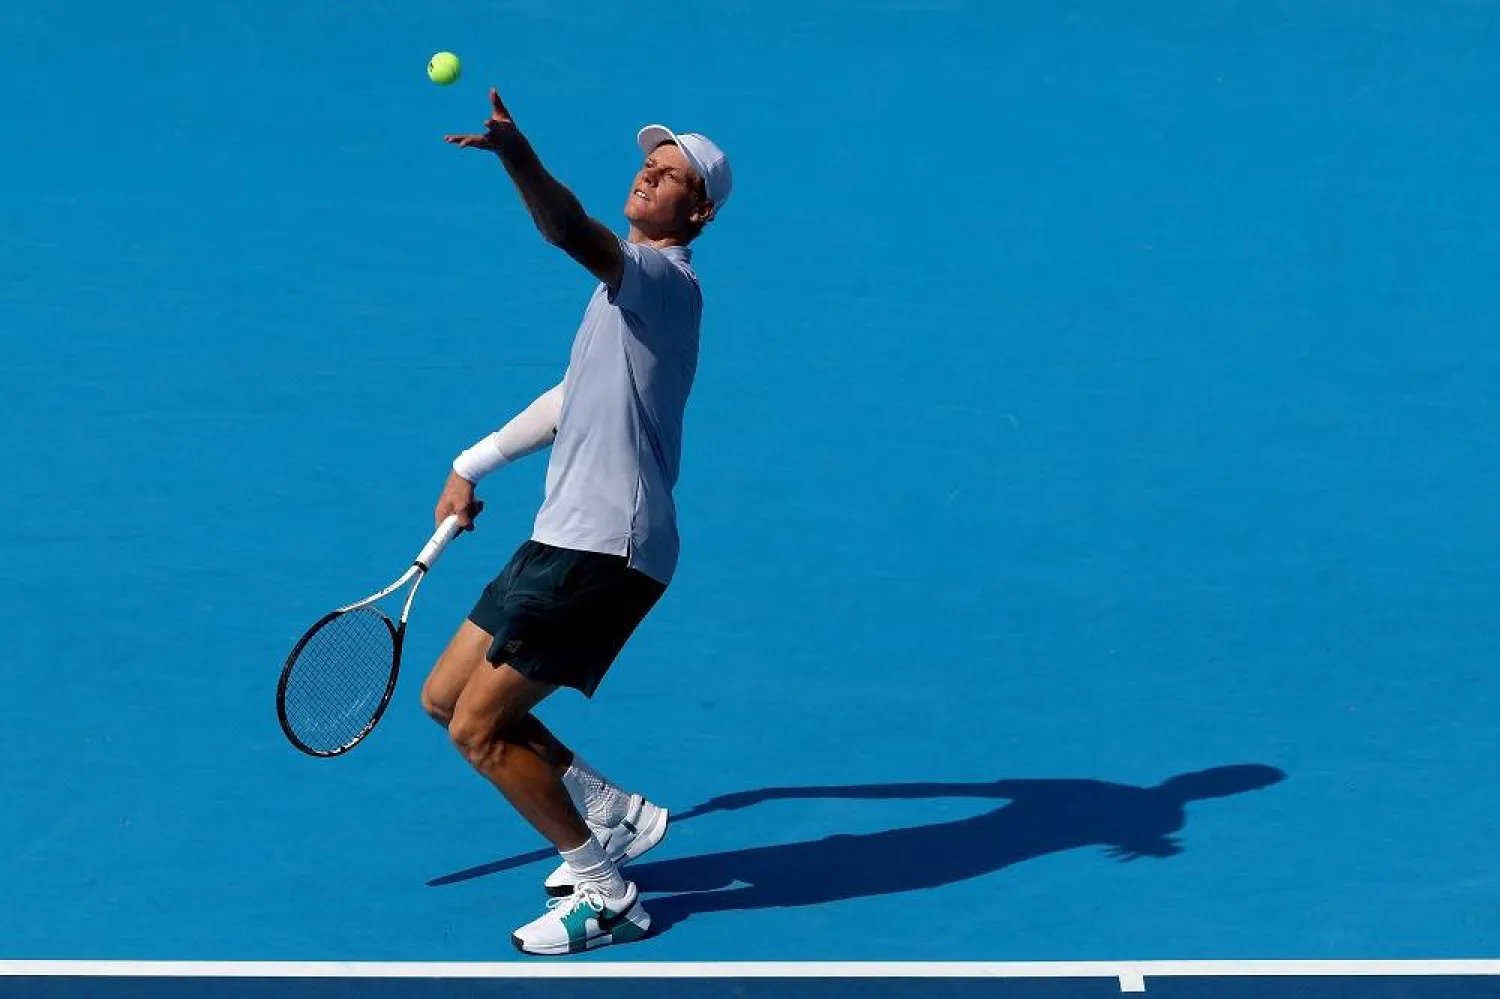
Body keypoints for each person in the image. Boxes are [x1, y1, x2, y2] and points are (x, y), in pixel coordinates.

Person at [419, 85, 731, 956]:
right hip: (561, 536)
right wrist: (470, 464)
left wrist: (518, 157)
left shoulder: (660, 279)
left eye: (668, 177)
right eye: (647, 163)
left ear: (696, 212)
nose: (648, 175)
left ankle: (606, 890)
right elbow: (571, 399)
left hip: (610, 548)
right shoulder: (621, 301)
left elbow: (565, 230)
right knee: (444, 699)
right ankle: (611, 808)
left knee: (482, 731)